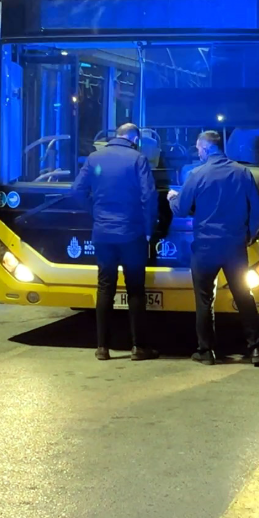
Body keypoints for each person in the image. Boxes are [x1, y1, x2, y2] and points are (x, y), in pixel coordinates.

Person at [168, 131, 259, 367]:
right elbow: (257, 210)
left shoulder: (196, 174)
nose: (198, 152)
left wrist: (172, 197)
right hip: (234, 247)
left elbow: (181, 209)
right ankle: (256, 349)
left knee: (204, 299)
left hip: (205, 248)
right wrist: (249, 236)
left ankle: (206, 351)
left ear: (205, 148)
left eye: (198, 148)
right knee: (244, 296)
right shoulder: (243, 173)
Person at [71, 123, 159, 362]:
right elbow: (149, 196)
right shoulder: (137, 159)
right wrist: (148, 229)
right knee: (135, 290)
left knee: (104, 287)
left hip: (103, 233)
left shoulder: (95, 158)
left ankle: (102, 347)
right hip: (132, 233)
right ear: (134, 139)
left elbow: (76, 191)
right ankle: (138, 347)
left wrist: (95, 212)